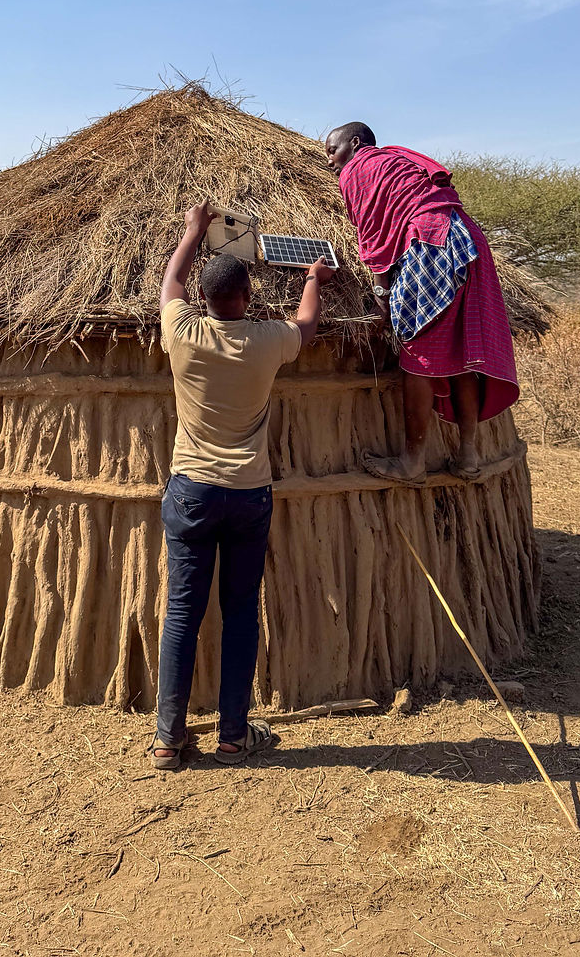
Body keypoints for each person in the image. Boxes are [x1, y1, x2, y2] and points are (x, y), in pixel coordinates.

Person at [150, 201, 335, 769]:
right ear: (248, 300)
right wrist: (313, 280)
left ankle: (167, 740)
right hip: (248, 493)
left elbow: (172, 280)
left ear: (203, 302)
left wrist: (192, 231)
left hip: (191, 492)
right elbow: (306, 325)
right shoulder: (265, 342)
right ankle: (233, 737)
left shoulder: (183, 334)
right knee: (239, 613)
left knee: (182, 612)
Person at [325, 122, 519, 484]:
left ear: (354, 143)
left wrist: (382, 297)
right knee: (460, 354)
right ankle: (468, 457)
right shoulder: (399, 161)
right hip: (469, 239)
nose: (331, 163)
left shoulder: (359, 167)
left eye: (332, 151)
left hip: (434, 243)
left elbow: (372, 234)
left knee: (418, 352)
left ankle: (411, 463)